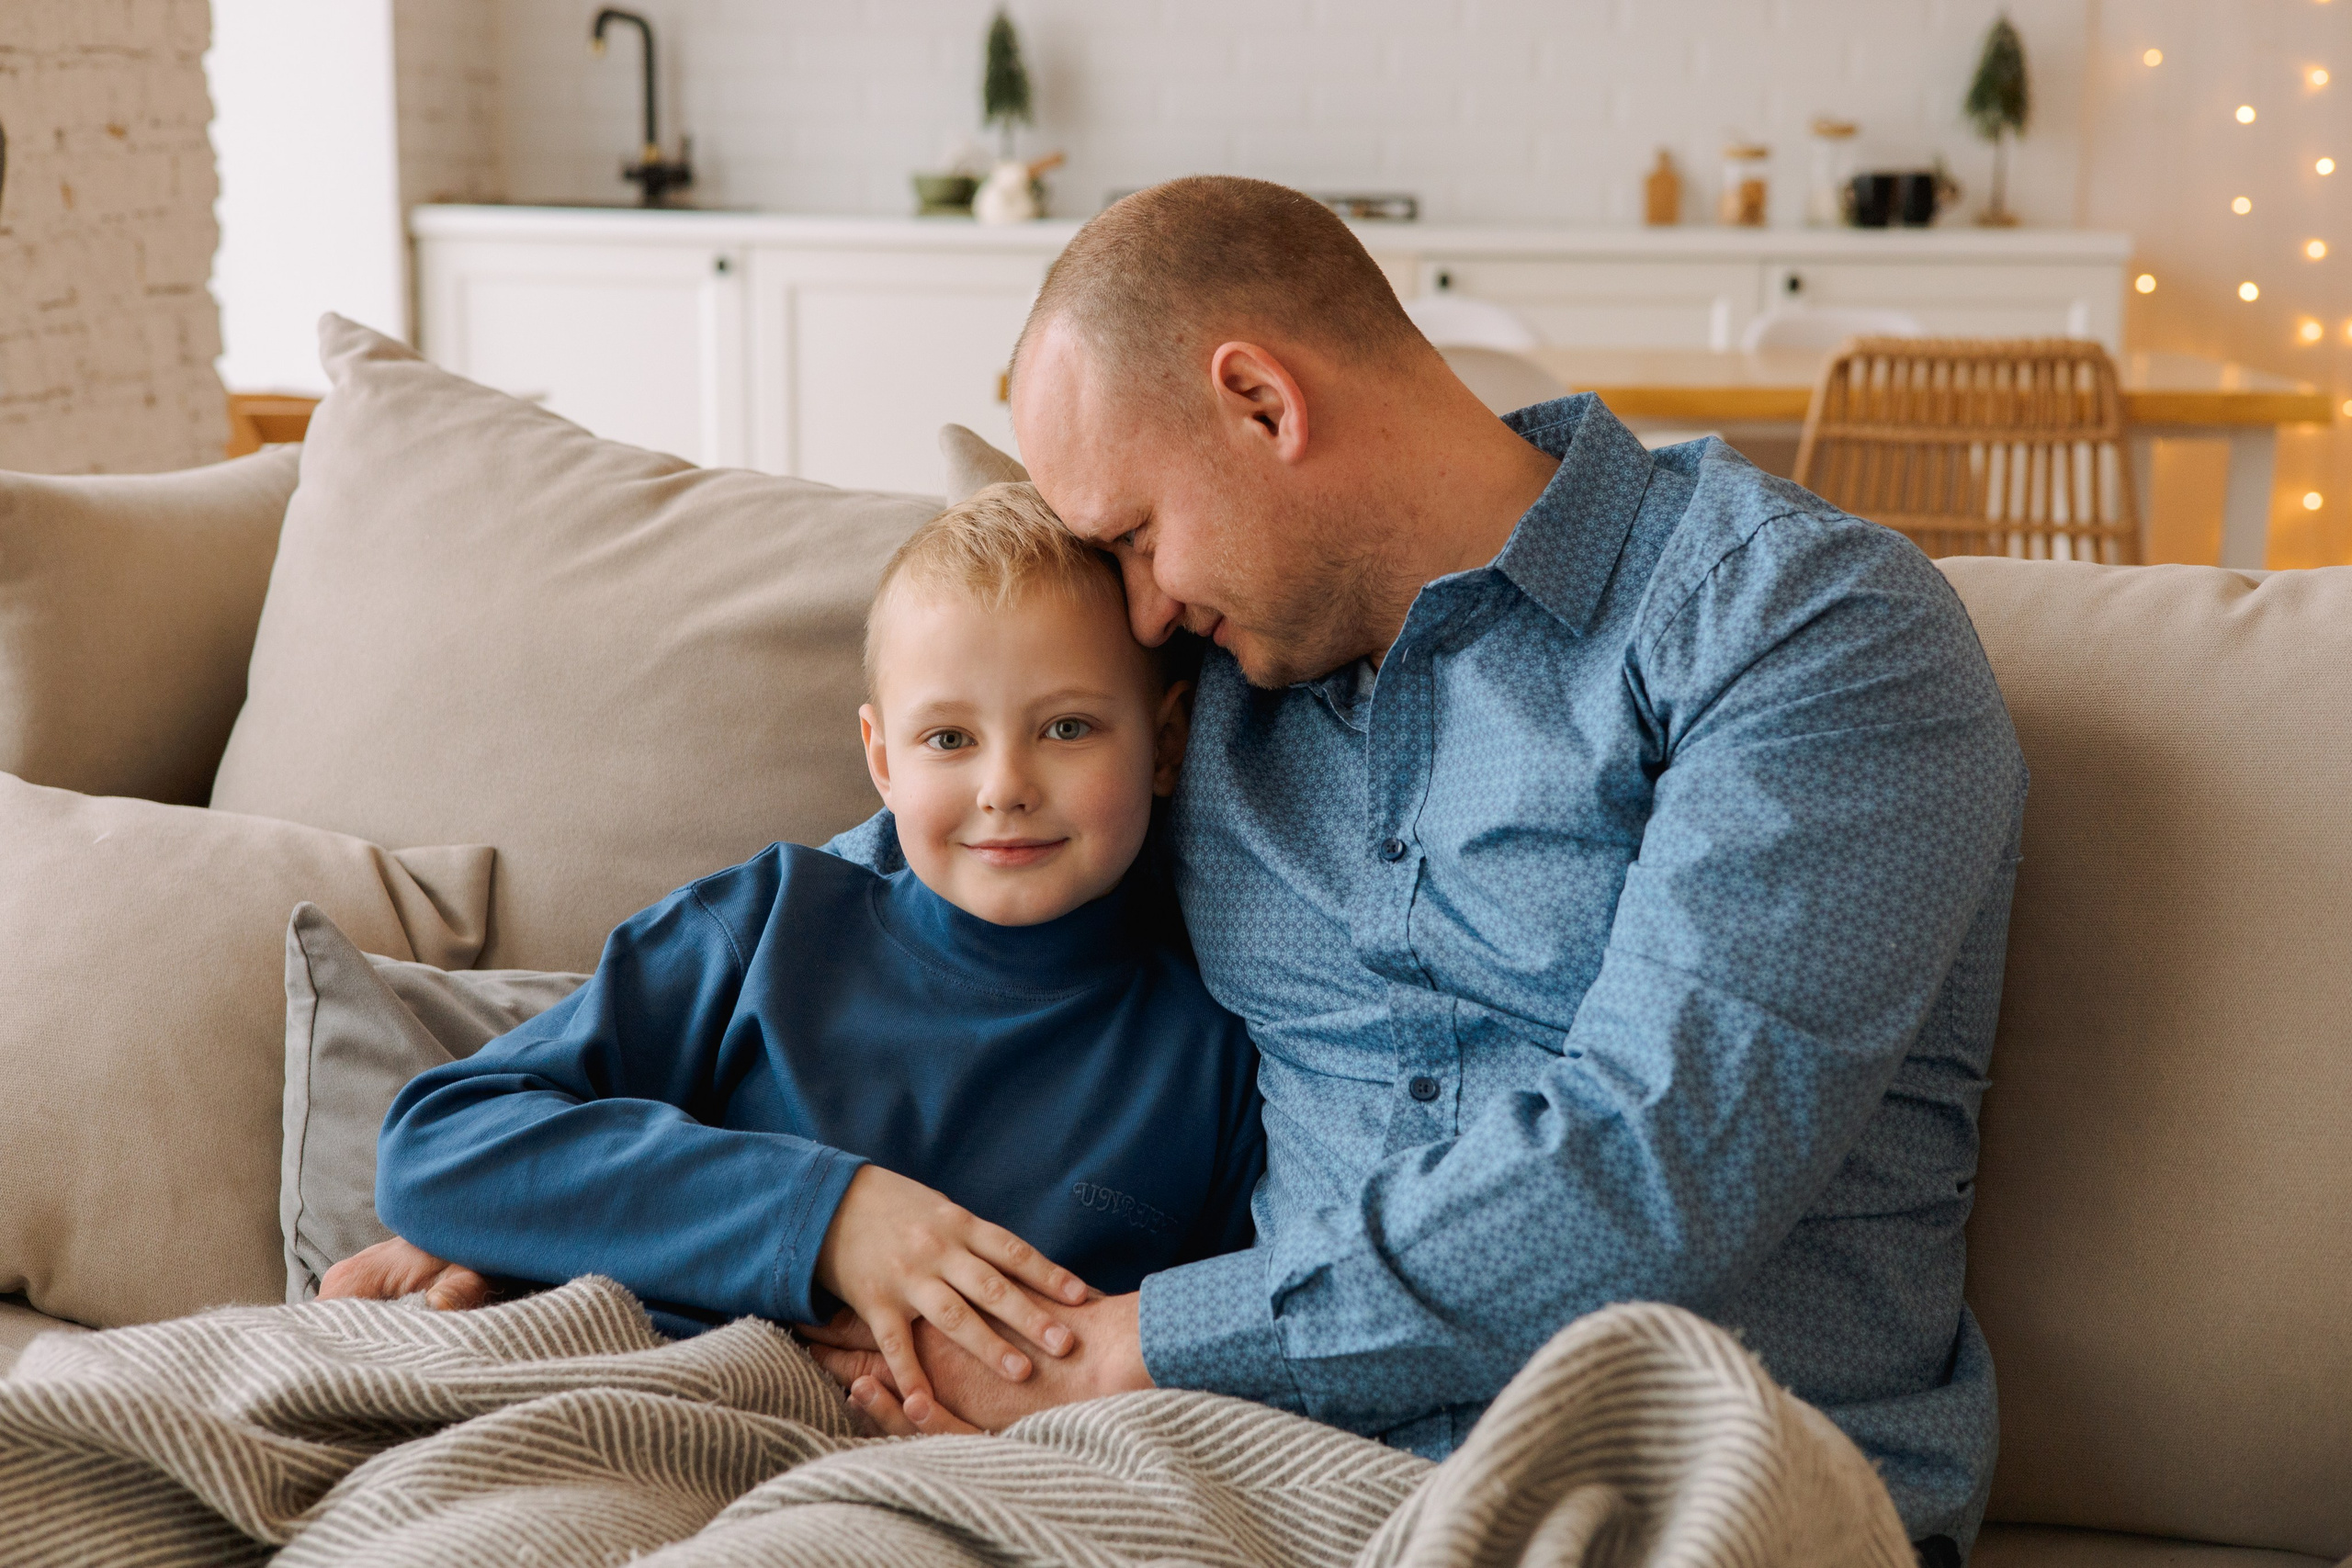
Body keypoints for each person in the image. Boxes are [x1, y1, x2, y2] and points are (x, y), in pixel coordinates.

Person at [805, 177, 2026, 1563]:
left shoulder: (1801, 626)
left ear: (1262, 402)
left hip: (1673, 1477)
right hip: (1244, 1475)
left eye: (1138, 535)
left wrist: (1123, 1349)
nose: (1140, 610)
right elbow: (863, 916)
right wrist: (609, 1152)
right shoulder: (1207, 689)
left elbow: (1656, 1168)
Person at [332, 484, 1264, 1423]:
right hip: (660, 1391)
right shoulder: (770, 929)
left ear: (1166, 741)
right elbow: (436, 1148)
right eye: (948, 738)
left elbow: (1217, 1358)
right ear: (882, 759)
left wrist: (1027, 1436)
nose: (1005, 786)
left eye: (1067, 728)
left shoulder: (1219, 1050)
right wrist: (832, 1219)